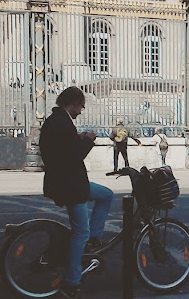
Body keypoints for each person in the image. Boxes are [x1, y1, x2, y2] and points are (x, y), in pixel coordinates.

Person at [39, 86, 113, 299]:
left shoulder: (56, 121)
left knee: (106, 195)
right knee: (80, 232)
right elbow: (74, 156)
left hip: (65, 183)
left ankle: (94, 239)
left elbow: (64, 148)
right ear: (72, 103)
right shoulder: (63, 123)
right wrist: (88, 139)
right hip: (71, 186)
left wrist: (78, 137)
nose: (81, 110)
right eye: (81, 106)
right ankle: (71, 282)